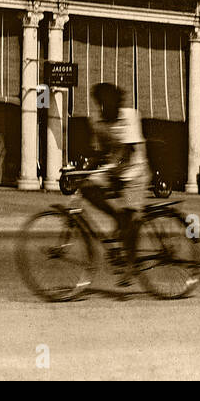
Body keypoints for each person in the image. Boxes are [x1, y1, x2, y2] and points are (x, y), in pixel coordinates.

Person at [82, 83, 150, 282]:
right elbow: (98, 151)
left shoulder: (129, 116)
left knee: (129, 217)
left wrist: (110, 166)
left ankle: (130, 264)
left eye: (109, 102)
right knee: (86, 188)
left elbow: (127, 151)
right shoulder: (98, 121)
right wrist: (83, 170)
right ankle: (116, 216)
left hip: (134, 173)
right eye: (101, 103)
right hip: (114, 171)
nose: (105, 107)